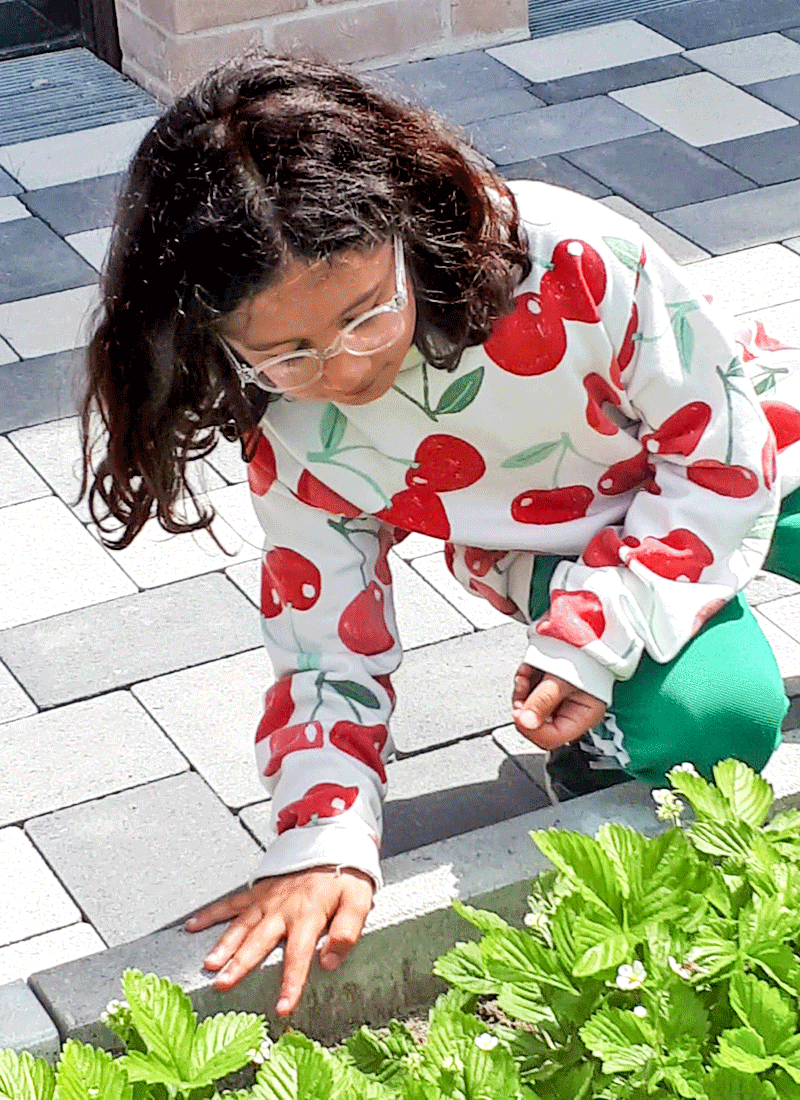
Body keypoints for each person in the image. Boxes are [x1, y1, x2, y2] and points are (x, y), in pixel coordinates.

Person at [80, 51, 800, 1018]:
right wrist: (324, 836)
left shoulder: (571, 255)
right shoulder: (291, 432)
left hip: (728, 450)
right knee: (716, 716)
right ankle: (607, 756)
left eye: (366, 313)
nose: (341, 369)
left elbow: (716, 449)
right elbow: (326, 641)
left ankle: (645, 652)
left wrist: (601, 636)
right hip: (557, 537)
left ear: (404, 215)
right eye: (284, 351)